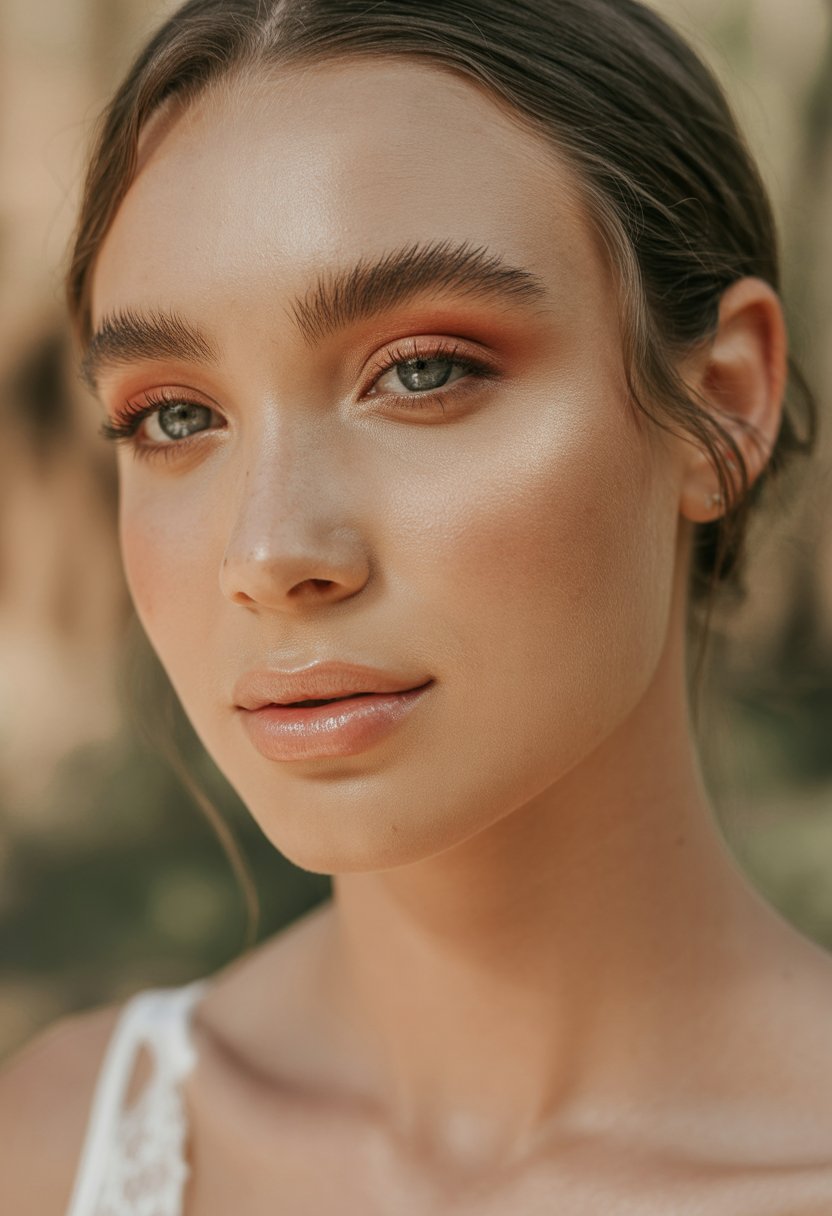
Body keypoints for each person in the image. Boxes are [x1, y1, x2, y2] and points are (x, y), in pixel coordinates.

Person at [1, 0, 829, 1211]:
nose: (270, 552)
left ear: (724, 402)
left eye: (423, 370)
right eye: (175, 415)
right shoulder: (53, 1150)